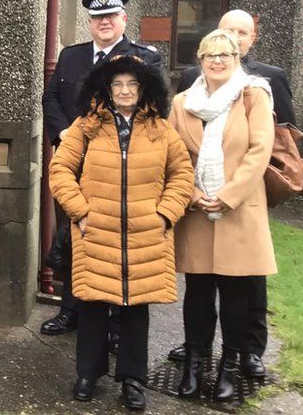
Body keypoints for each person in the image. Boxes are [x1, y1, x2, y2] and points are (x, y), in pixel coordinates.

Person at [50, 55, 193, 411]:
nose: (125, 91)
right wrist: (79, 211)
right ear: (106, 88)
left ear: (143, 88)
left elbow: (182, 175)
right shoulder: (87, 126)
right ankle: (88, 373)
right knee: (93, 305)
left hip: (145, 235)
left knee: (135, 310)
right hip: (97, 231)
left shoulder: (161, 129)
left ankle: (132, 379)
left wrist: (165, 214)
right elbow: (61, 170)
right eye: (118, 84)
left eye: (132, 84)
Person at [167, 9, 294, 378]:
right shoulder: (184, 101)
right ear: (200, 59)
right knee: (198, 294)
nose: (218, 60)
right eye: (211, 54)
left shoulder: (257, 93)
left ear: (239, 56)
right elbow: (174, 153)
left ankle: (232, 363)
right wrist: (190, 193)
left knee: (239, 296)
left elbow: (261, 150)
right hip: (197, 210)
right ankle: (195, 362)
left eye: (226, 54)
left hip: (238, 209)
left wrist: (228, 194)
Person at [41, 0, 163, 342]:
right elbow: (50, 97)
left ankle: (114, 325)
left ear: (123, 19)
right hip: (75, 165)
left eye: (111, 16)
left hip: (119, 170)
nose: (104, 23)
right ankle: (71, 310)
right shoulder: (72, 56)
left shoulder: (143, 59)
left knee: (114, 242)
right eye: (97, 18)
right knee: (72, 235)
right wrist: (65, 135)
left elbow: (152, 109)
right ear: (90, 23)